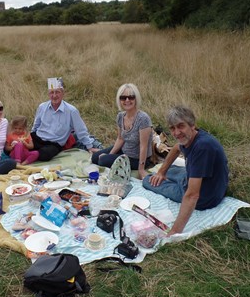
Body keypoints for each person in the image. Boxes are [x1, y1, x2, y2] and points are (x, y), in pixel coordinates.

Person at [142, 105, 229, 234]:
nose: (176, 133)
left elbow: (193, 195)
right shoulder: (193, 137)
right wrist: (162, 172)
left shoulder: (202, 147)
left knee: (147, 180)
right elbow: (177, 148)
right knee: (164, 170)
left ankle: (169, 183)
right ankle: (164, 174)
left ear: (192, 125)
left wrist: (175, 231)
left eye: (181, 126)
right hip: (204, 181)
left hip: (206, 197)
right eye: (172, 128)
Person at [91, 83, 153, 178]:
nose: (127, 100)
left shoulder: (143, 119)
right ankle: (107, 156)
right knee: (95, 157)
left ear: (136, 99)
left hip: (136, 158)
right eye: (123, 98)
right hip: (124, 150)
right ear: (119, 100)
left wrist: (141, 169)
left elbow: (143, 146)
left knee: (102, 161)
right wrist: (110, 154)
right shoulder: (120, 116)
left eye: (131, 97)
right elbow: (120, 139)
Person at [31, 77, 99, 161]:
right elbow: (35, 126)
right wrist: (29, 138)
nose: (54, 95)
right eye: (51, 92)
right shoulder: (42, 107)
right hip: (38, 137)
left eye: (57, 92)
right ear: (48, 94)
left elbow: (81, 131)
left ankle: (31, 154)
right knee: (20, 144)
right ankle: (31, 153)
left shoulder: (71, 111)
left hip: (54, 144)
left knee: (45, 155)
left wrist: (89, 147)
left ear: (63, 93)